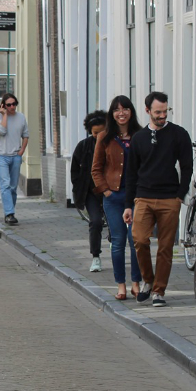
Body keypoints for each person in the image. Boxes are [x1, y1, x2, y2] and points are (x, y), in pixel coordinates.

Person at [122, 91, 193, 308]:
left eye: (165, 111)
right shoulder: (139, 138)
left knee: (165, 247)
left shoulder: (179, 134)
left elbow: (187, 166)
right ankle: (148, 280)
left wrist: (180, 195)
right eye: (158, 112)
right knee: (140, 240)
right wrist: (128, 204)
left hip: (169, 198)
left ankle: (159, 291)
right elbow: (131, 173)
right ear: (147, 111)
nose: (162, 116)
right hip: (143, 197)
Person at [92, 96, 145, 300]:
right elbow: (96, 169)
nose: (121, 113)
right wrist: (106, 191)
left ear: (131, 112)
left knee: (136, 240)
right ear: (112, 114)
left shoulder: (140, 135)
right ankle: (121, 285)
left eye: (125, 109)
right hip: (113, 197)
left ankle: (136, 283)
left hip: (137, 197)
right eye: (116, 109)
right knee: (118, 241)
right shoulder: (104, 137)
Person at [70, 111, 107, 273]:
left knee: (115, 223)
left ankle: (115, 244)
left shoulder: (113, 144)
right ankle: (96, 257)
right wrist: (79, 188)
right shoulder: (83, 147)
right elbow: (74, 171)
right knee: (96, 222)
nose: (99, 136)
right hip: (91, 192)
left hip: (110, 191)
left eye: (102, 132)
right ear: (90, 132)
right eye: (95, 133)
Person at [0, 93, 29, 225]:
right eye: (9, 105)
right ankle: (9, 214)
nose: (12, 106)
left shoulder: (21, 117)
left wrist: (22, 151)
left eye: (14, 104)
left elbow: (26, 135)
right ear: (4, 105)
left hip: (15, 156)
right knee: (5, 185)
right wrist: (5, 115)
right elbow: (2, 131)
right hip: (2, 155)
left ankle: (9, 211)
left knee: (13, 187)